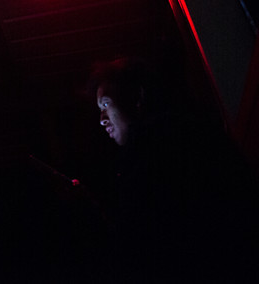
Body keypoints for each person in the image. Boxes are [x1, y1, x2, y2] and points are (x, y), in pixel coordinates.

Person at [88, 57, 259, 283]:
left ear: (137, 97)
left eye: (106, 105)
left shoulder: (165, 148)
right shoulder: (179, 135)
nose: (102, 119)